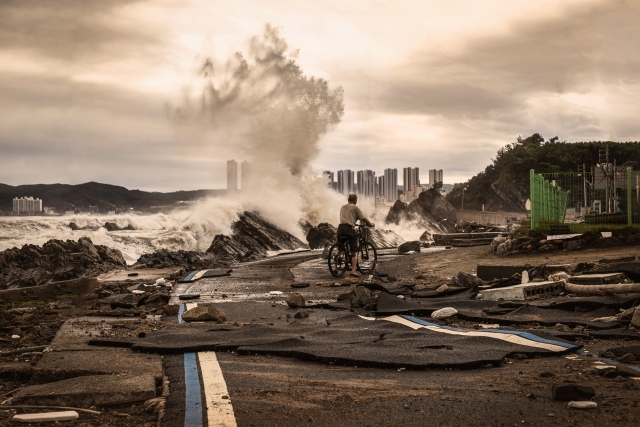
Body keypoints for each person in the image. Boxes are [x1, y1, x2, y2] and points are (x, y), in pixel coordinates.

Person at [337, 193, 375, 277]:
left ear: (348, 200)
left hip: (340, 229)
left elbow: (343, 217)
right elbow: (363, 218)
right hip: (348, 229)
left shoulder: (343, 207)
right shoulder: (355, 207)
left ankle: (335, 268)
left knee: (340, 247)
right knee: (354, 250)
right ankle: (353, 271)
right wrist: (371, 224)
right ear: (355, 200)